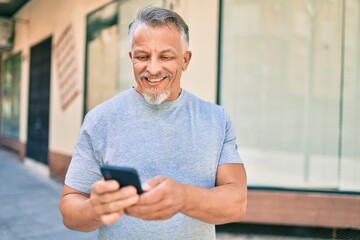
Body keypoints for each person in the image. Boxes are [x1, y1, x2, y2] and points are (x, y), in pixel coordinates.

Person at [59, 6, 247, 240]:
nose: (153, 68)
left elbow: (237, 203)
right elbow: (69, 210)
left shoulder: (216, 119)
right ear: (131, 58)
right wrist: (94, 209)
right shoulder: (99, 120)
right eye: (142, 56)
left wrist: (183, 198)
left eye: (166, 57)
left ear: (185, 60)